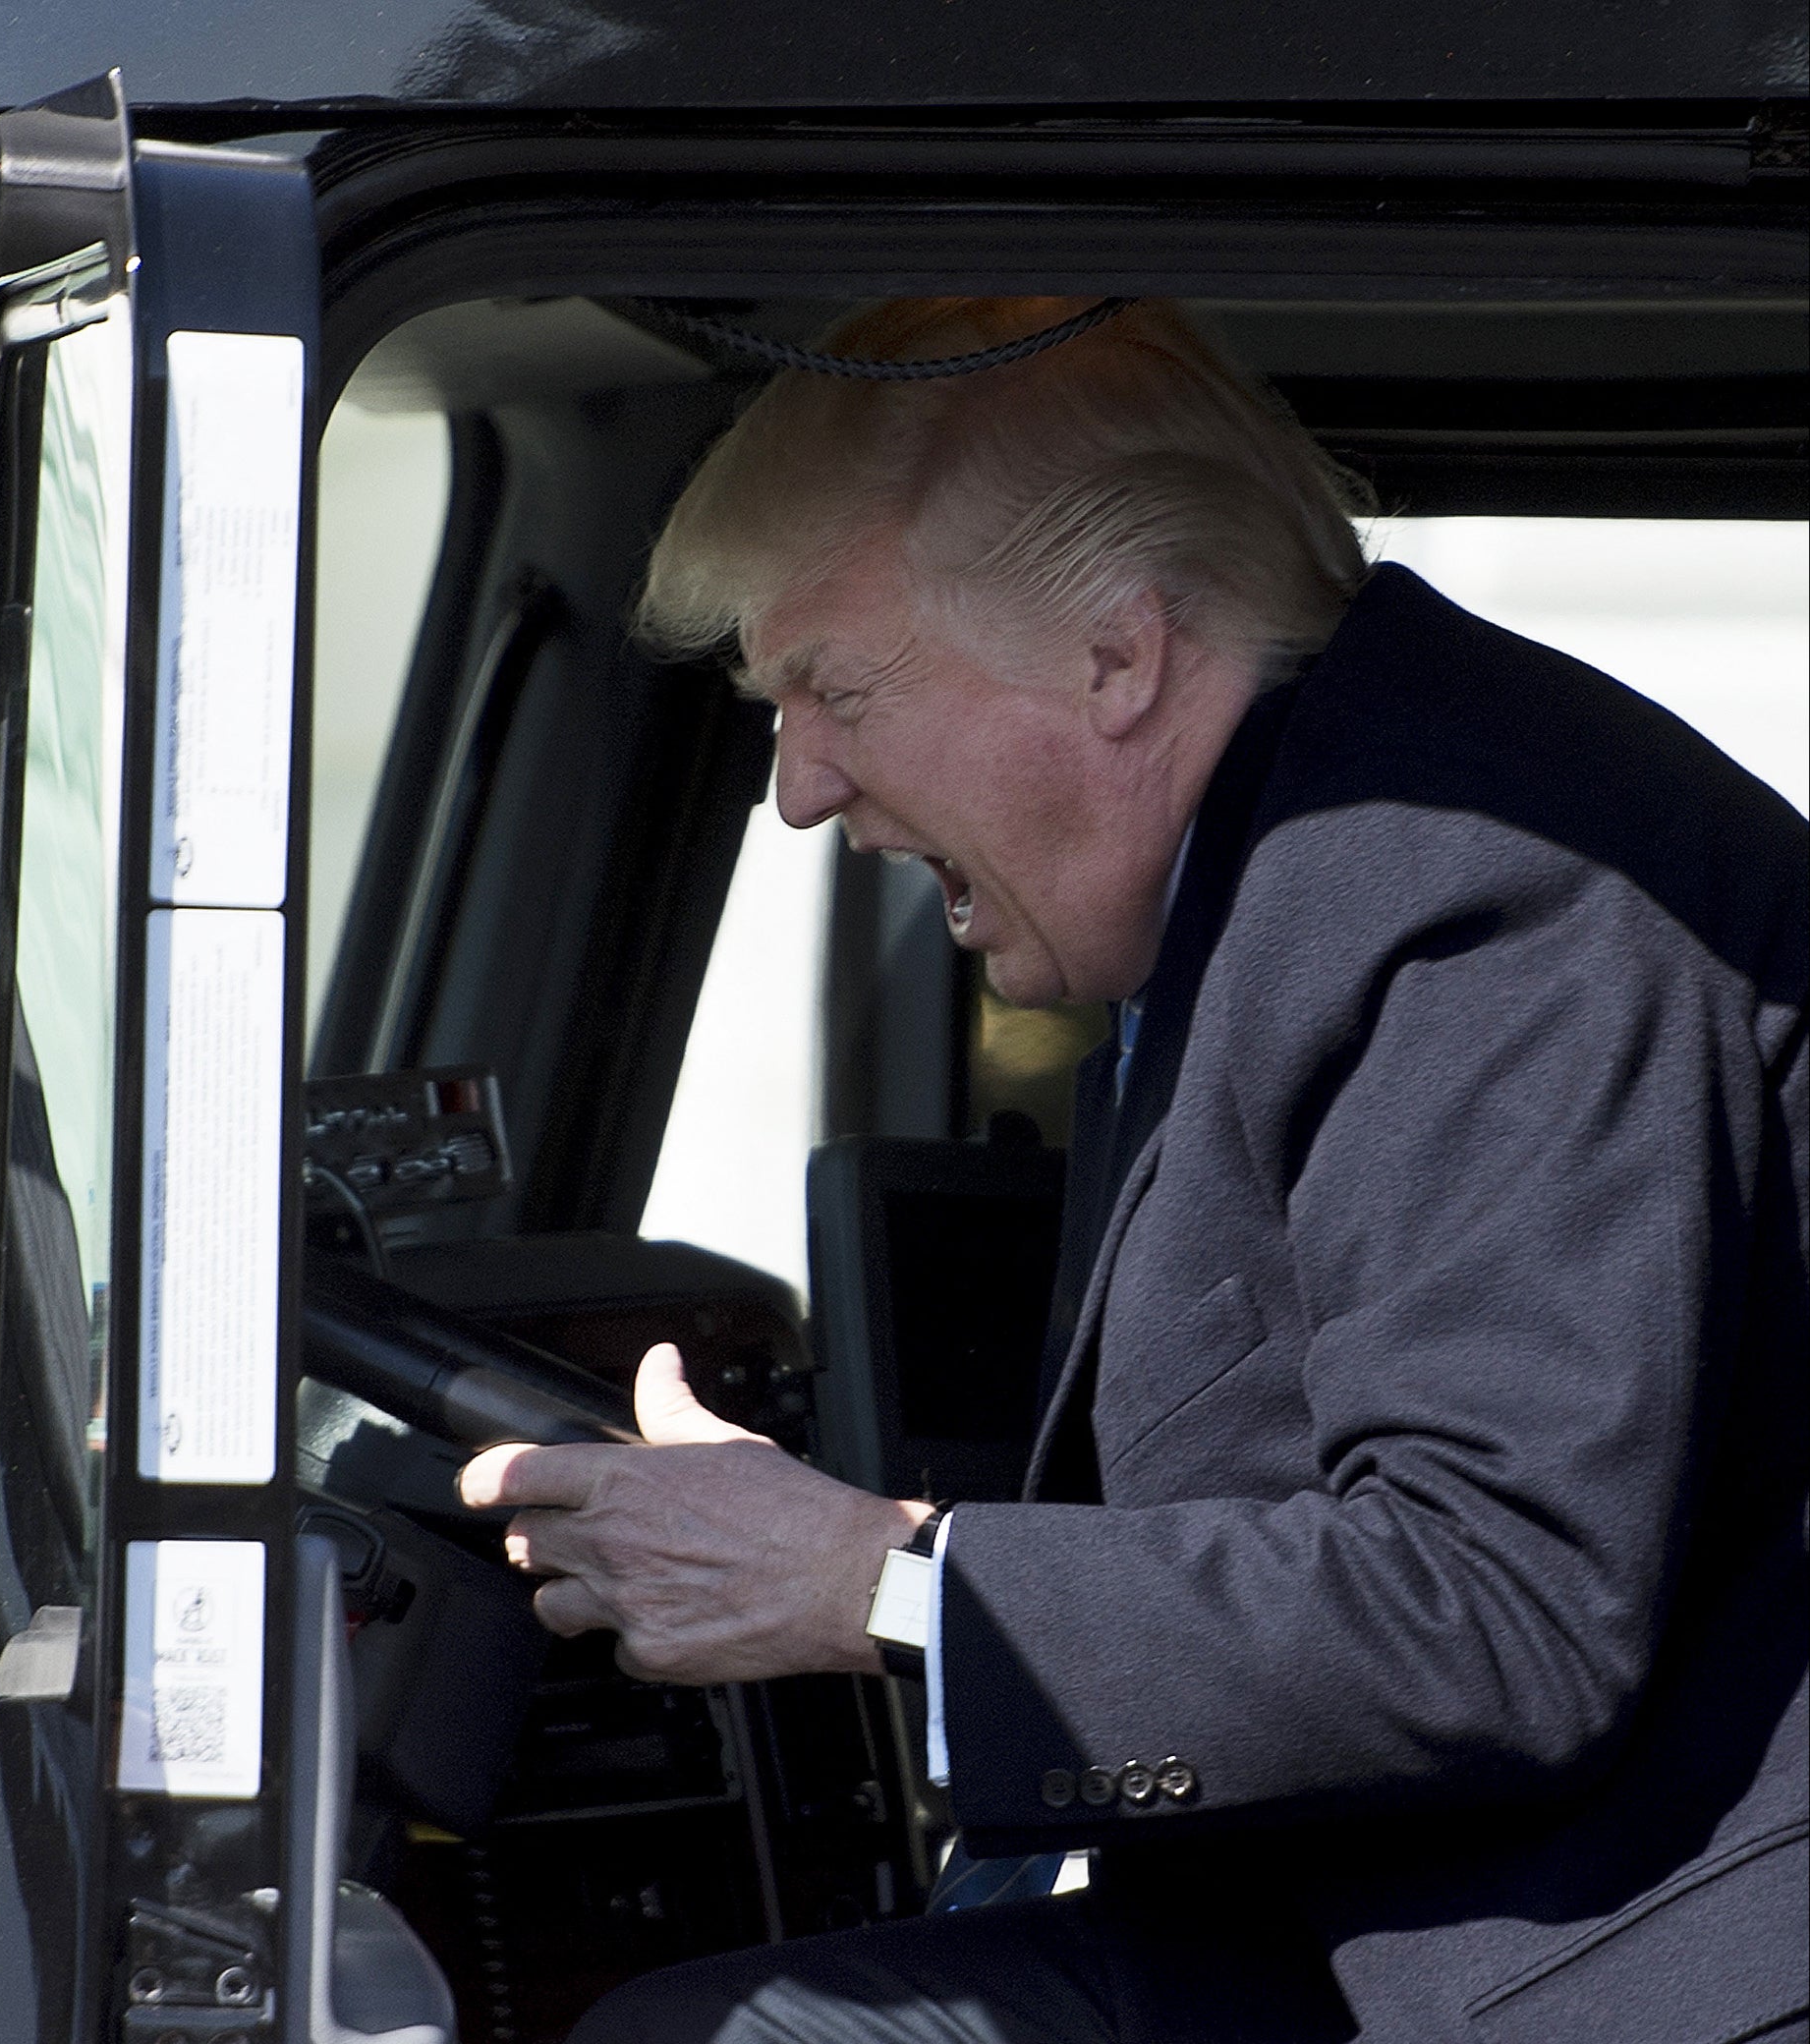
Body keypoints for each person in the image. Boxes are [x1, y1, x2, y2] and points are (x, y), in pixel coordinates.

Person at [458, 298, 1810, 2043]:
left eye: (836, 688)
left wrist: (870, 1578)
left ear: (1118, 657)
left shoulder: (1472, 895)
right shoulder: (1292, 882)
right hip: (1374, 1922)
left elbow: (1497, 1614)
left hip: (1587, 1972)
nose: (797, 787)